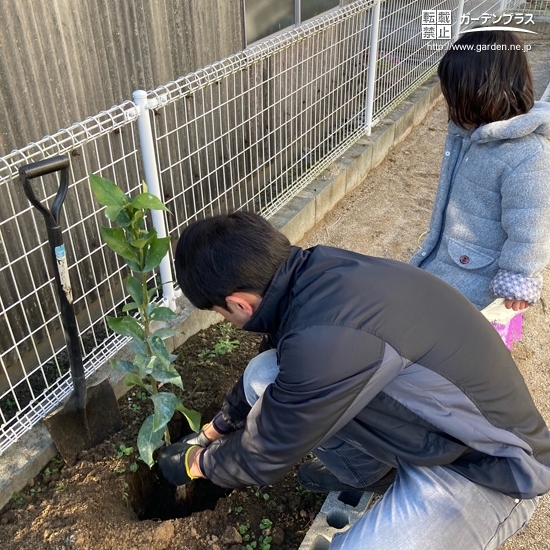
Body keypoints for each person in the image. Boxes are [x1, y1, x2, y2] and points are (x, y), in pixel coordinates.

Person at [159, 211, 550, 549]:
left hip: (488, 468)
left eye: (220, 313)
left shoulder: (325, 339)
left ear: (239, 303)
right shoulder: (313, 273)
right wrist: (211, 432)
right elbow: (281, 374)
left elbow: (263, 456)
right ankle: (369, 475)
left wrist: (195, 463)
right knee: (263, 374)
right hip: (431, 429)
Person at [409, 29, 550, 349]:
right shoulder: (472, 135)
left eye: (454, 97)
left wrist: (518, 278)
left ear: (480, 92)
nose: (450, 106)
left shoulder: (528, 155)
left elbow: (533, 226)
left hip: (482, 281)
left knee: (473, 345)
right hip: (457, 263)